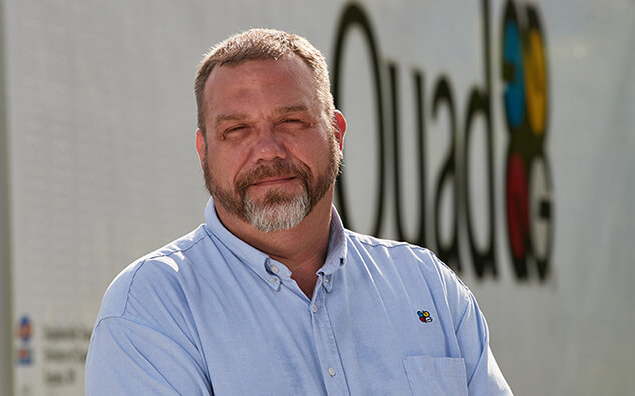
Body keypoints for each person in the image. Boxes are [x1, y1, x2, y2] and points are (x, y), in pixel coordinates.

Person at [85, 28, 512, 395]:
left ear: (337, 134)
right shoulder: (151, 306)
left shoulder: (426, 286)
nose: (267, 150)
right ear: (203, 152)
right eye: (236, 130)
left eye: (292, 121)